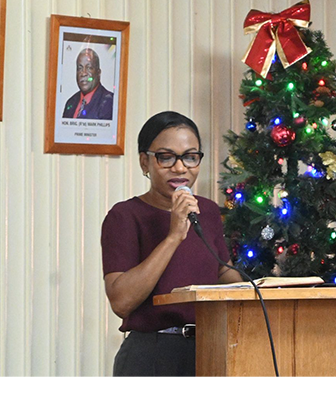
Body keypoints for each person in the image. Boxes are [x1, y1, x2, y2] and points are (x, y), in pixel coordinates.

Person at [101, 111, 243, 377]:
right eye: (166, 157)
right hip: (154, 353)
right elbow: (121, 302)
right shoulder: (124, 216)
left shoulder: (209, 211)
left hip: (211, 347)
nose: (180, 168)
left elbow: (222, 271)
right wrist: (174, 235)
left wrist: (253, 288)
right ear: (145, 162)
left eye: (190, 157)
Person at [61, 48, 114, 120]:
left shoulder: (109, 102)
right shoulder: (71, 102)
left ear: (98, 72)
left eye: (89, 68)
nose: (83, 73)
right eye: (80, 68)